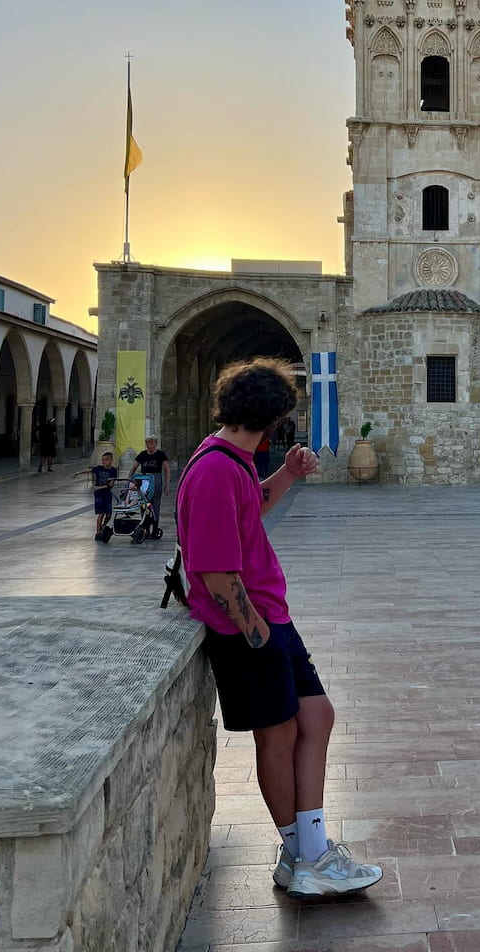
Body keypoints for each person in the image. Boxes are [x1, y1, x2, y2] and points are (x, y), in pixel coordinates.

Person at [176, 356, 382, 899]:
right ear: (273, 417)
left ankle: (310, 851)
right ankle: (302, 857)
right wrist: (256, 634)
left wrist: (287, 474)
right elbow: (214, 569)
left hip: (271, 619)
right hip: (247, 624)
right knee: (280, 731)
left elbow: (249, 511)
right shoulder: (217, 469)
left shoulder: (232, 460)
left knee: (315, 715)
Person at [131, 435, 171, 532]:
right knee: (144, 503)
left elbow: (167, 469)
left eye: (152, 443)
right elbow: (134, 468)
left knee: (155, 504)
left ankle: (155, 527)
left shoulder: (160, 454)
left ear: (155, 444)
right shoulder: (142, 454)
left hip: (156, 480)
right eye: (148, 443)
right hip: (144, 481)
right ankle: (146, 527)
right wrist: (130, 479)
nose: (150, 446)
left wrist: (167, 485)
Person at [74, 452, 118, 538]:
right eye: (102, 460)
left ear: (111, 460)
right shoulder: (99, 468)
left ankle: (103, 525)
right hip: (99, 495)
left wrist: (100, 487)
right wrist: (79, 472)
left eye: (106, 460)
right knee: (101, 513)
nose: (104, 462)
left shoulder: (113, 470)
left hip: (107, 493)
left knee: (108, 514)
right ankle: (98, 532)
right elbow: (89, 470)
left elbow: (111, 484)